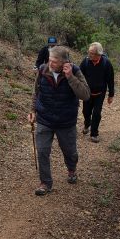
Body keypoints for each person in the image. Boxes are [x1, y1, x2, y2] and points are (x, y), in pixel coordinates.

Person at [28, 46, 90, 196]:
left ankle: (71, 169)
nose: (50, 63)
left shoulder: (74, 71)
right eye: (49, 60)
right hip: (45, 119)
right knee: (42, 151)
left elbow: (85, 95)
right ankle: (45, 183)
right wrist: (32, 110)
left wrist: (70, 78)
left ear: (64, 62)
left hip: (66, 121)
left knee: (69, 152)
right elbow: (36, 91)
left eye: (54, 61)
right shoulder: (43, 69)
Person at [80, 42, 115, 143]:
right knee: (86, 112)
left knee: (96, 113)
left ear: (98, 54)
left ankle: (94, 134)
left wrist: (111, 94)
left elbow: (110, 80)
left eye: (91, 53)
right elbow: (79, 75)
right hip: (87, 93)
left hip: (100, 93)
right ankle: (87, 124)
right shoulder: (85, 62)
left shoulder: (106, 63)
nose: (89, 54)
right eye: (89, 52)